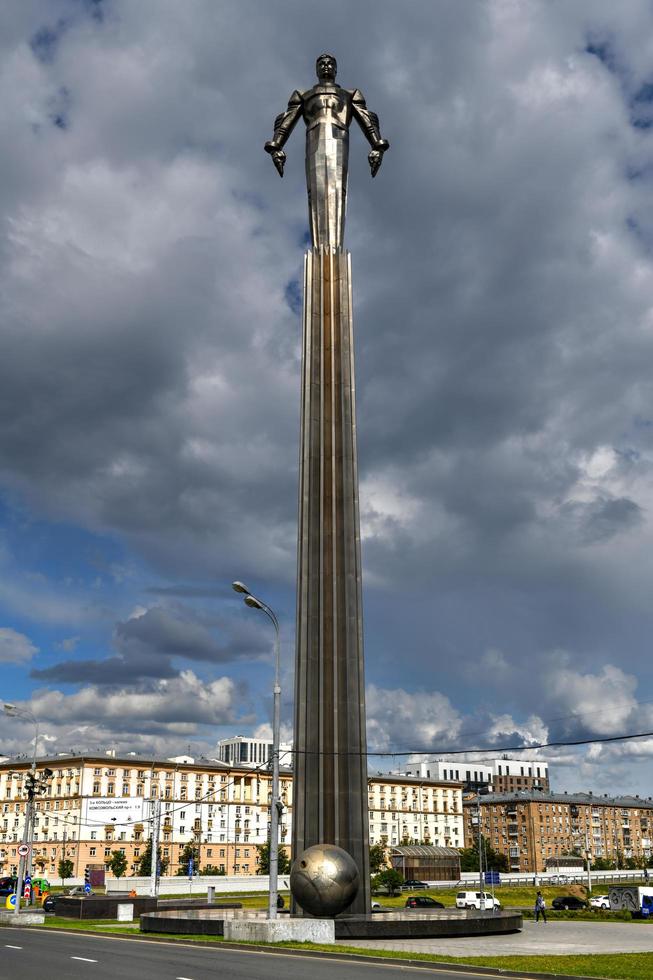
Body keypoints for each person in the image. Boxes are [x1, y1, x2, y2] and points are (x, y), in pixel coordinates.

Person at [265, 53, 389, 249]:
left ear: (336, 69)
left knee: (337, 189)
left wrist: (377, 144)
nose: (326, 66)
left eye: (330, 63)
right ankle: (321, 248)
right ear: (316, 70)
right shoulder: (303, 96)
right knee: (316, 191)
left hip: (340, 138)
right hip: (314, 138)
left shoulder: (350, 94)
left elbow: (367, 119)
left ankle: (333, 248)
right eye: (321, 64)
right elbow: (286, 121)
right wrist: (276, 145)